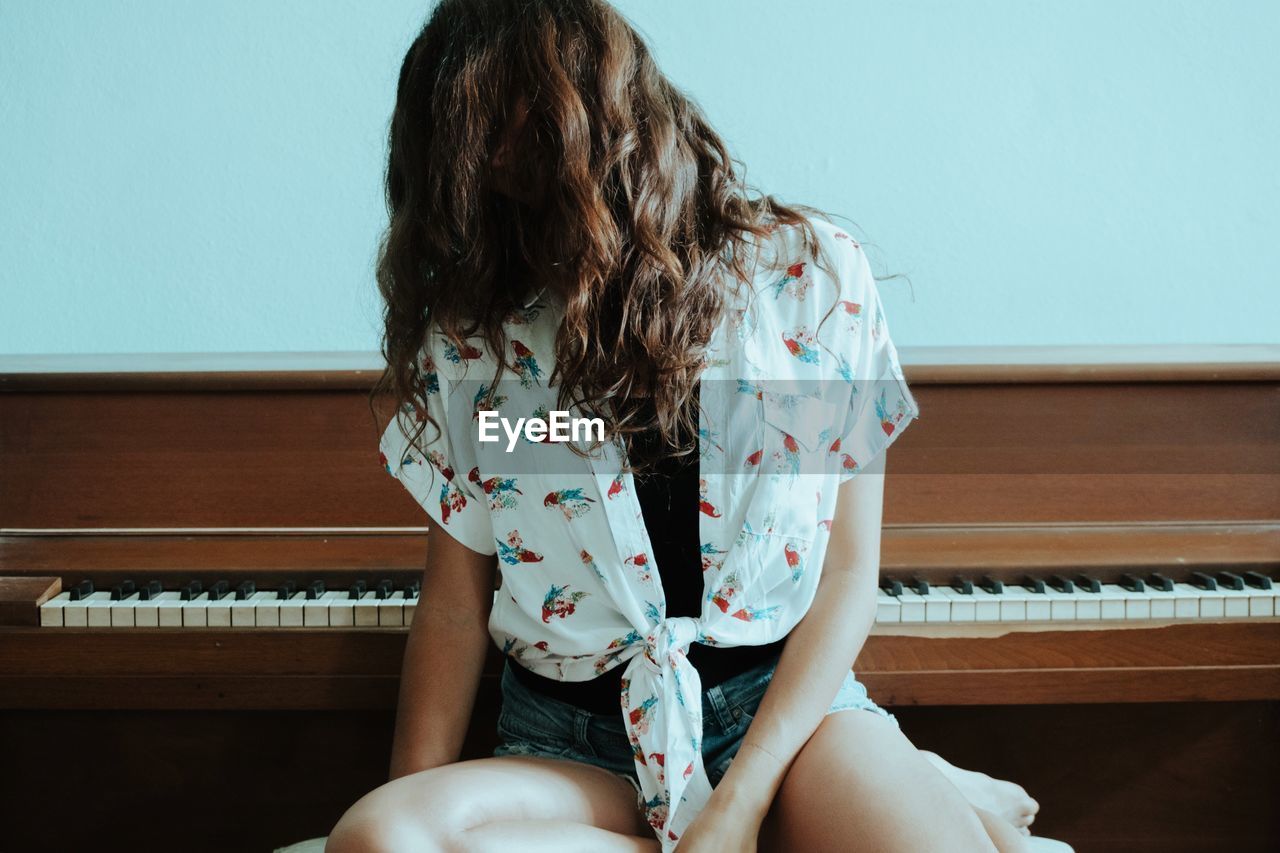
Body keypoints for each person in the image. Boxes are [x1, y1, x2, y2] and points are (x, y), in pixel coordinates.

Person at [330, 1, 1050, 850]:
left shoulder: (807, 286)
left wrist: (737, 808)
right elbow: (457, 600)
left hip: (784, 728)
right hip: (577, 750)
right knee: (378, 838)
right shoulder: (481, 339)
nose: (497, 180)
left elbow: (848, 575)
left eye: (517, 143)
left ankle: (880, 787)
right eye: (471, 165)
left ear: (605, 124)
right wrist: (418, 791)